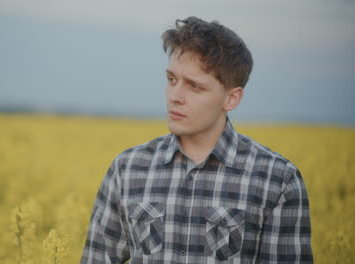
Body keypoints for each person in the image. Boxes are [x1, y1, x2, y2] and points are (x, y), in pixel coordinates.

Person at [80, 16, 313, 263]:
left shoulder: (277, 181)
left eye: (194, 86)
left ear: (231, 99)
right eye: (172, 80)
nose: (175, 96)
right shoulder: (127, 169)